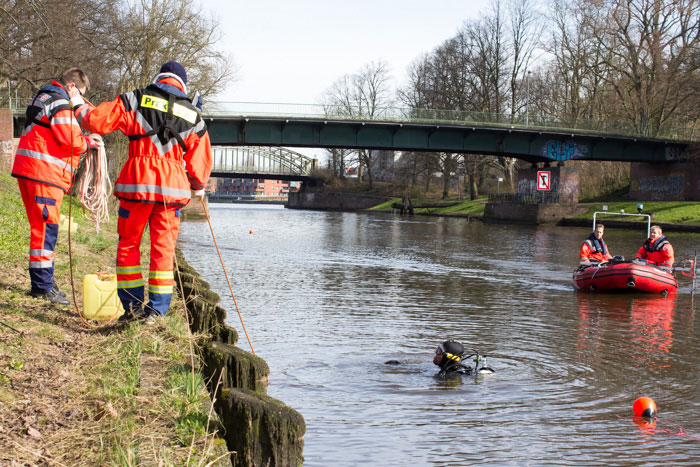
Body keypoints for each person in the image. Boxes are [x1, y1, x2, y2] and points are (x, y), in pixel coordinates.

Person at [69, 61, 212, 321]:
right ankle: (156, 311)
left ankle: (133, 308)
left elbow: (96, 121)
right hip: (171, 194)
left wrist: (77, 102)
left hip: (136, 185)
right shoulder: (193, 115)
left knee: (128, 246)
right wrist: (198, 186)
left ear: (159, 77)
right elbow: (200, 163)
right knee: (163, 252)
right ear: (182, 84)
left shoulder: (134, 99)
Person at [11, 68, 102, 305]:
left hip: (31, 171)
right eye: (80, 94)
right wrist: (88, 142)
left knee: (41, 229)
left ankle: (44, 281)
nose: (80, 100)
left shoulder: (43, 97)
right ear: (72, 87)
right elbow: (69, 139)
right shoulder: (61, 102)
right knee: (46, 229)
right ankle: (42, 286)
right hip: (45, 174)